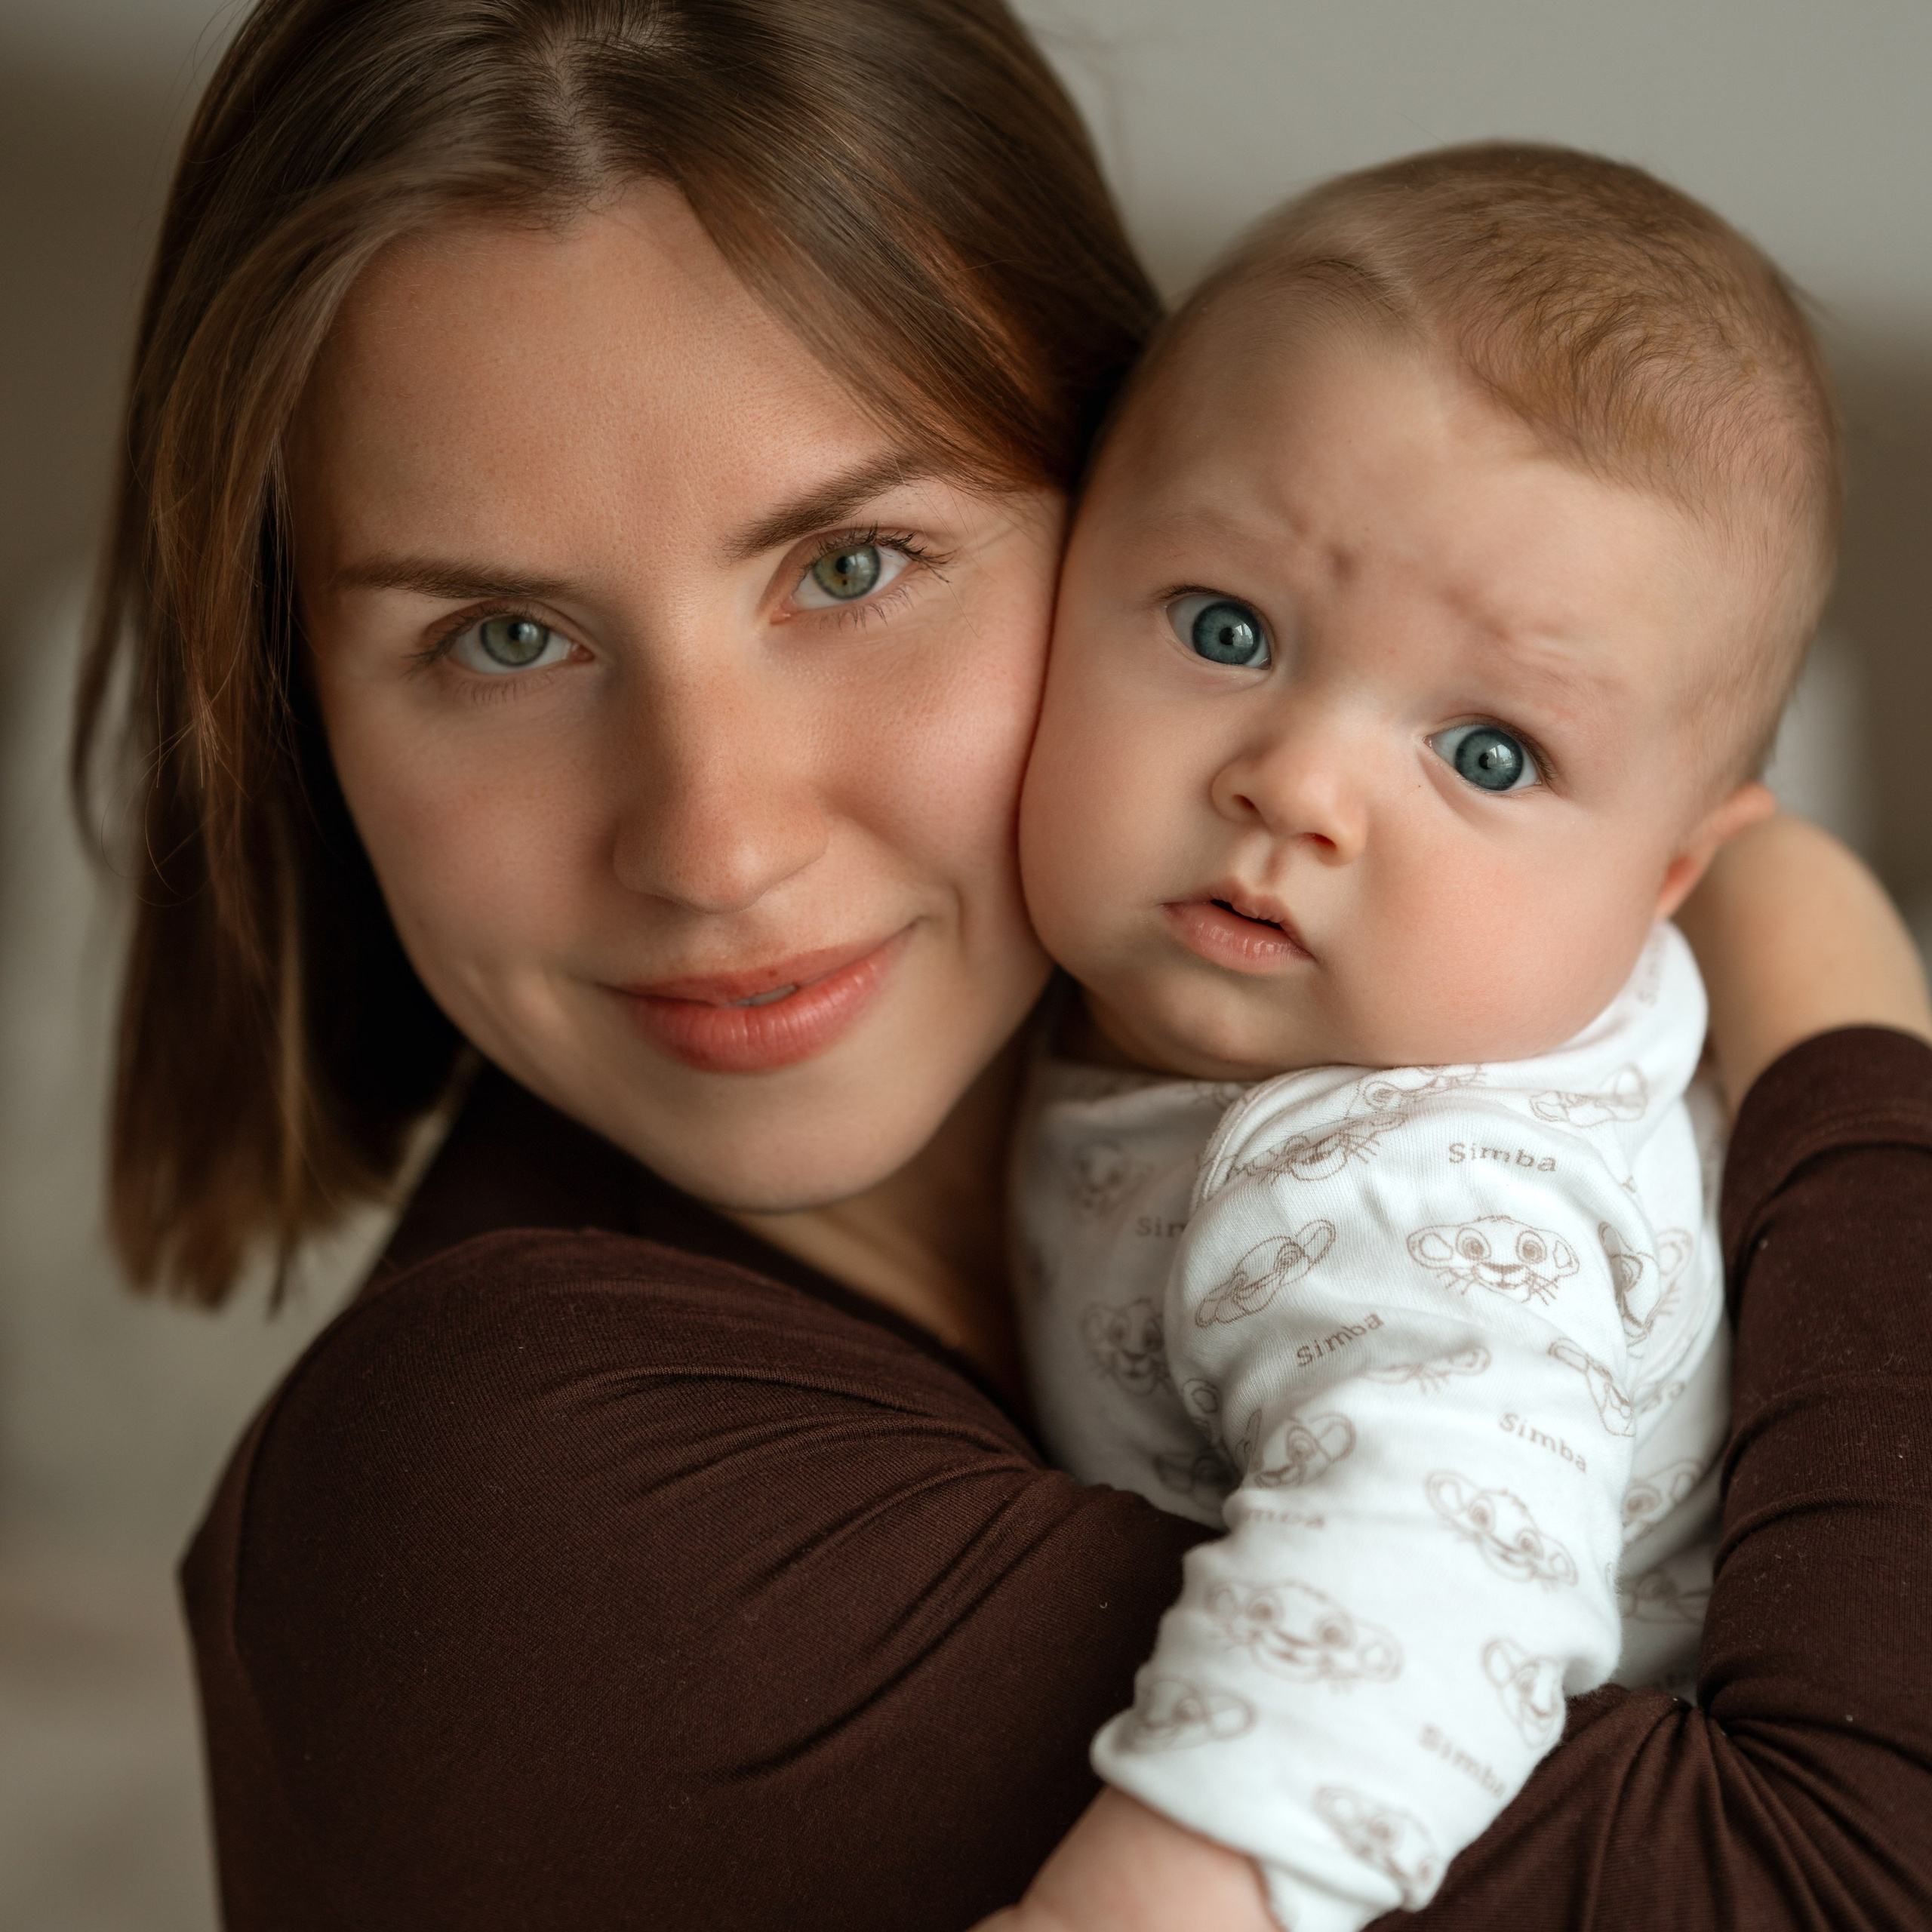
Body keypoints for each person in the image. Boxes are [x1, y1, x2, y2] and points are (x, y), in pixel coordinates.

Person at [71, 2, 1932, 1927]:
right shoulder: (507, 1508)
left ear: (1110, 478)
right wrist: (1840, 1020)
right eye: (504, 639)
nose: (717, 845)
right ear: (296, 702)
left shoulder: (1297, 1100)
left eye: (853, 564)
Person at [1008, 145, 1831, 1930]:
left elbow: (1424, 1566)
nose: (1295, 783)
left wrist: (1142, 1907)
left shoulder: (1415, 1176)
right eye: (1227, 628)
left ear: (1666, 876)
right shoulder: (1126, 997)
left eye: (1486, 754)